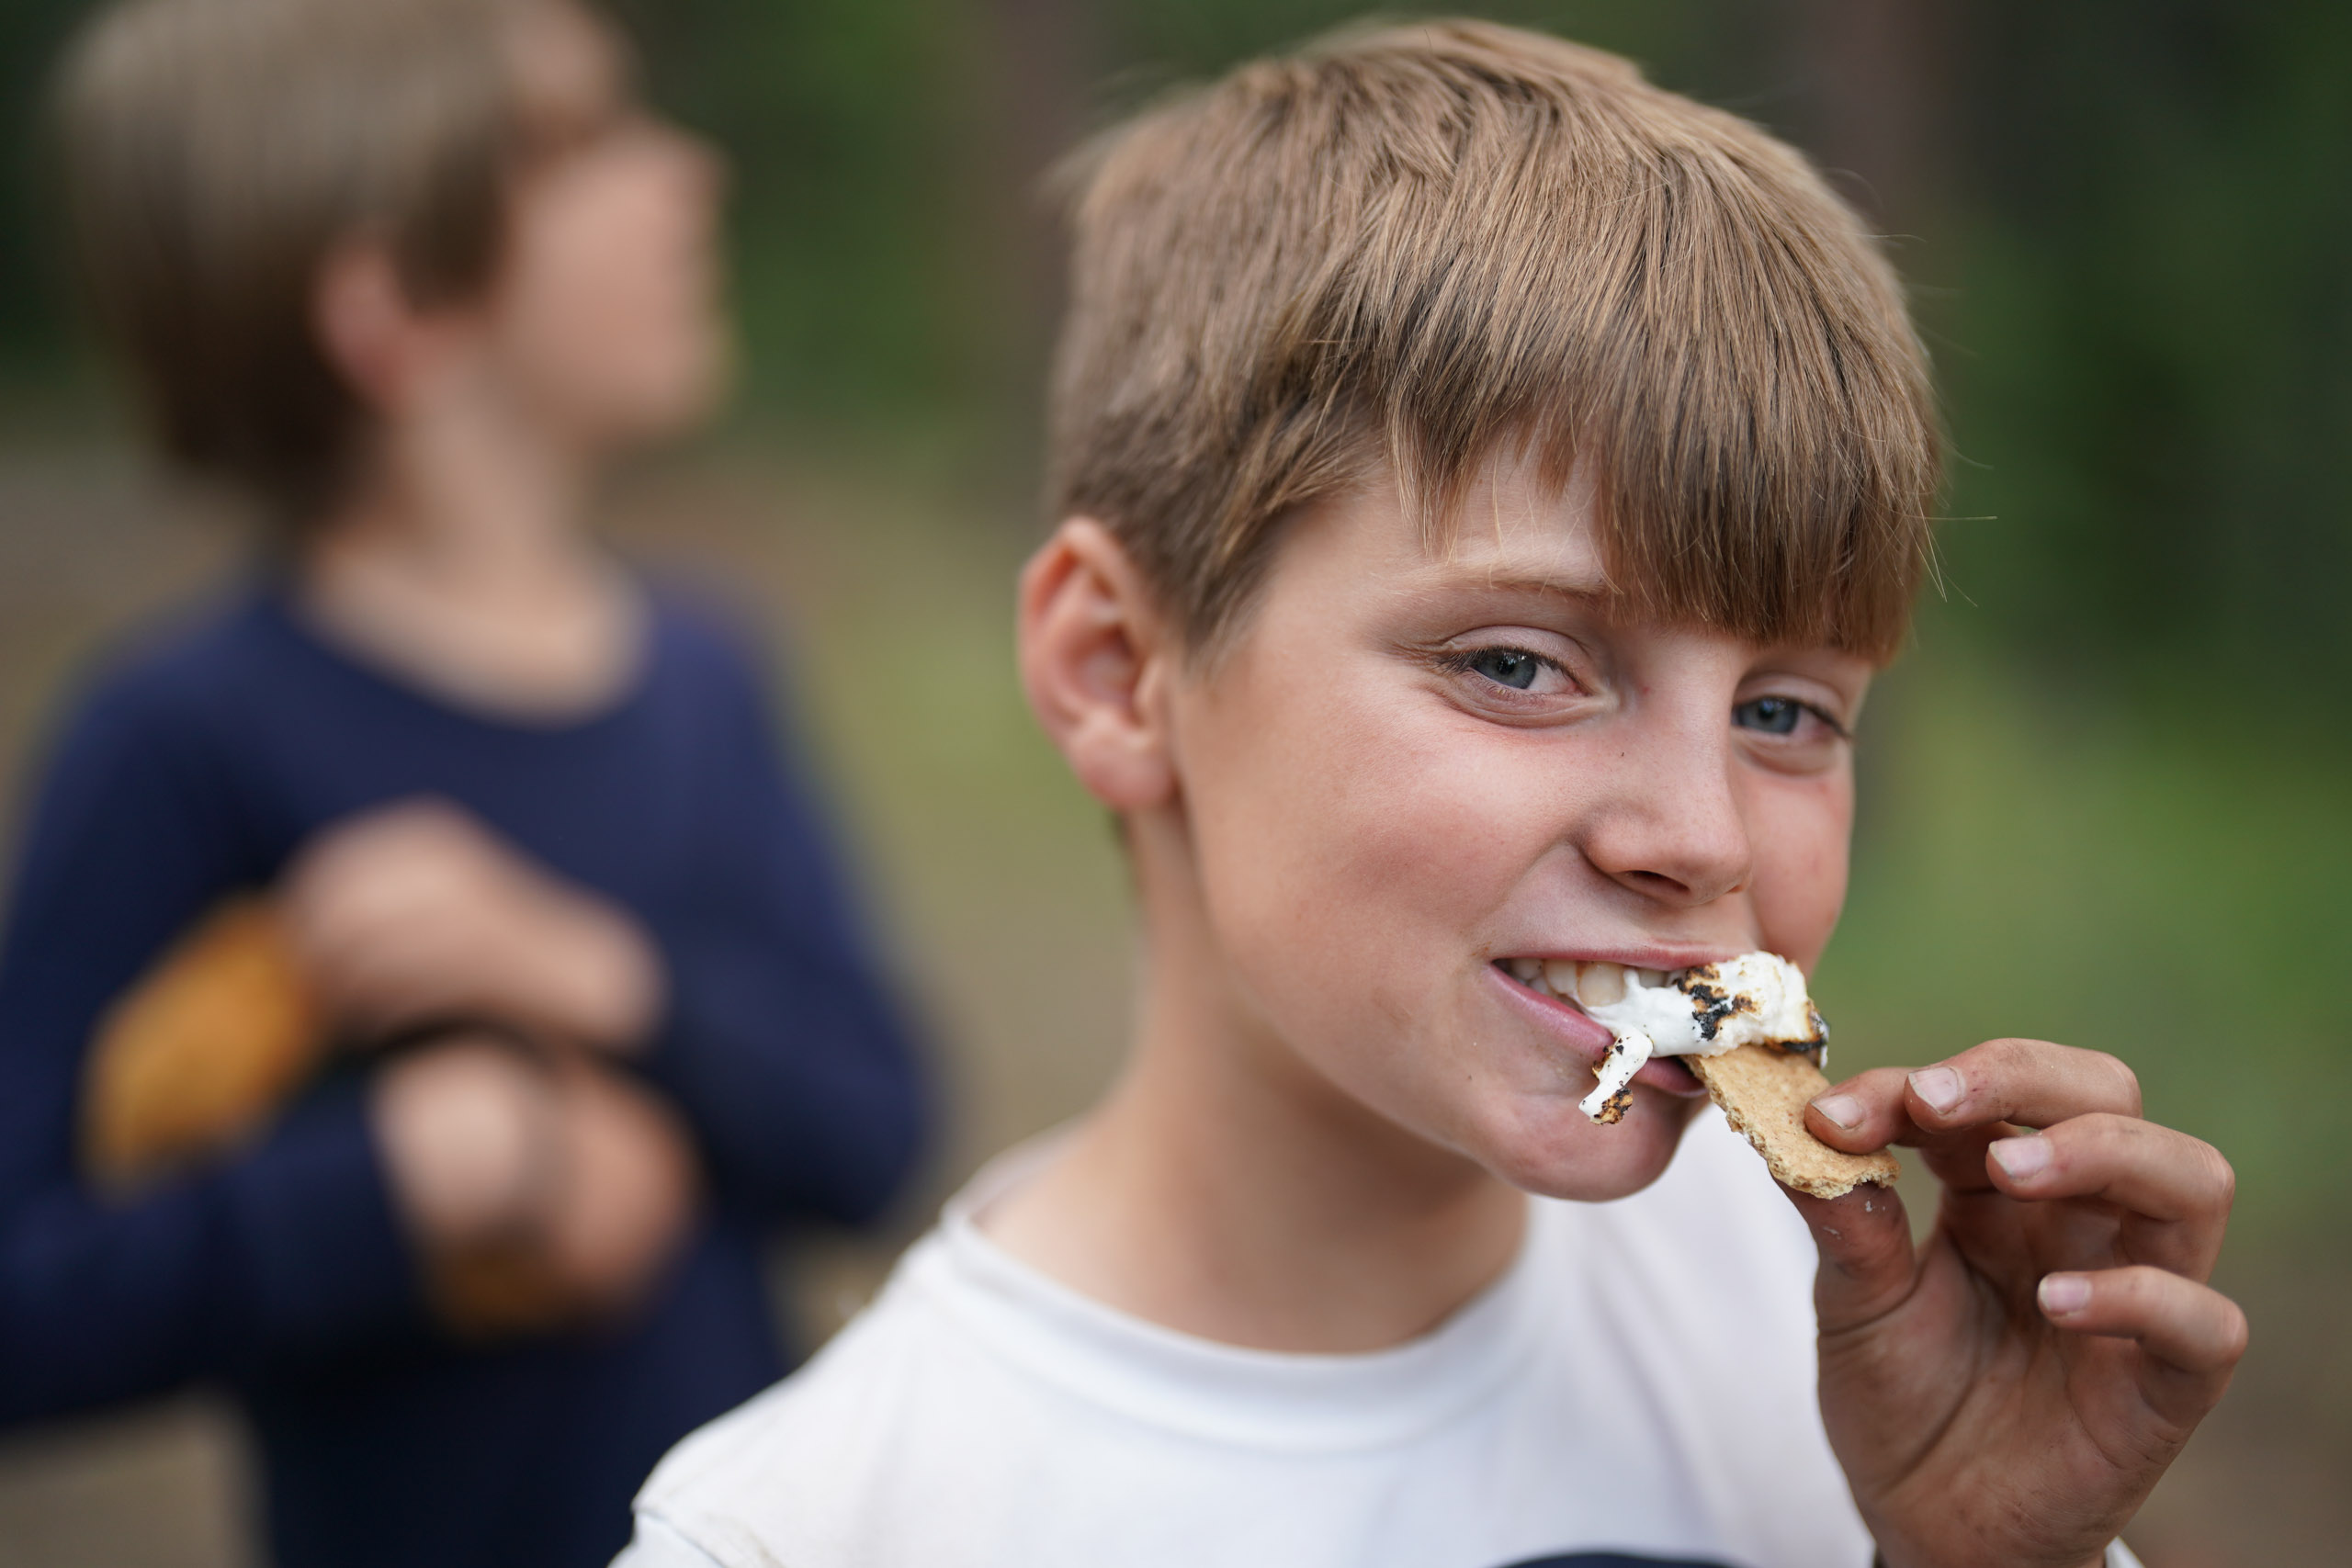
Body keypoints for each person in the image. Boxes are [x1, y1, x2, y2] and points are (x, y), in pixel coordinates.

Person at [616, 20, 2244, 1568]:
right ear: (1121, 670)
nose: (1703, 837)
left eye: (1783, 709)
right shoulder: (812, 1530)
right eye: (1521, 666)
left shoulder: (1816, 1327)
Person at [0, 2, 928, 1565]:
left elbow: (874, 1125)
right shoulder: (178, 736)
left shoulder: (709, 678)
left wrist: (596, 979)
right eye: (588, 138)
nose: (686, 174)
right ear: (399, 303)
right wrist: (423, 1171)